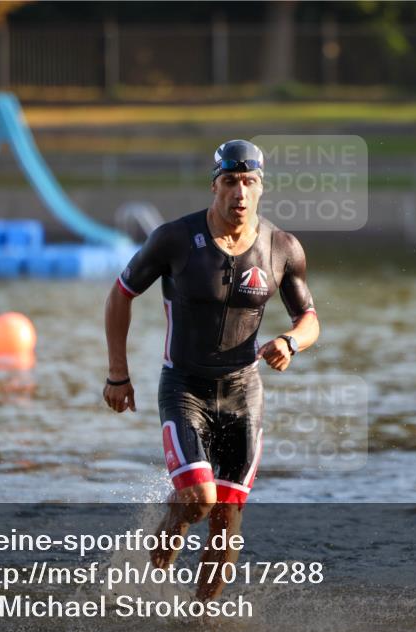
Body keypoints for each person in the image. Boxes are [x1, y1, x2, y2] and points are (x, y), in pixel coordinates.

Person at [102, 139, 320, 601]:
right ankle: (142, 590)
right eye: (229, 182)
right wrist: (118, 374)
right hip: (184, 387)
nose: (239, 193)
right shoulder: (174, 239)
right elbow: (121, 293)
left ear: (261, 188)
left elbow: (309, 320)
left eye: (249, 182)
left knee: (227, 518)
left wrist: (290, 342)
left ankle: (200, 623)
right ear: (214, 187)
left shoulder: (282, 247)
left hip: (244, 394)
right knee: (199, 500)